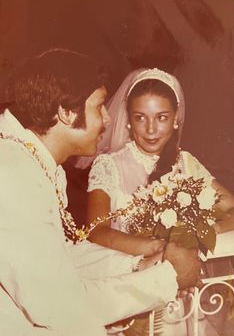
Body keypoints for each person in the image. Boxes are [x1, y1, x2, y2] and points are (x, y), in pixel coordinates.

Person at [0, 50, 201, 336]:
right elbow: (59, 306)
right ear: (66, 113)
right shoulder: (13, 175)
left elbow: (61, 257)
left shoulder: (34, 162)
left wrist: (139, 264)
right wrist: (165, 279)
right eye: (99, 107)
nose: (108, 119)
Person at [86, 68, 234, 335]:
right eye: (140, 118)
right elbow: (96, 232)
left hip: (188, 298)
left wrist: (192, 237)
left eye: (162, 118)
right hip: (136, 289)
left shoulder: (186, 162)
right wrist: (160, 248)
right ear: (128, 120)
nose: (151, 129)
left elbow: (231, 208)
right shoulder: (109, 166)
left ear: (176, 118)